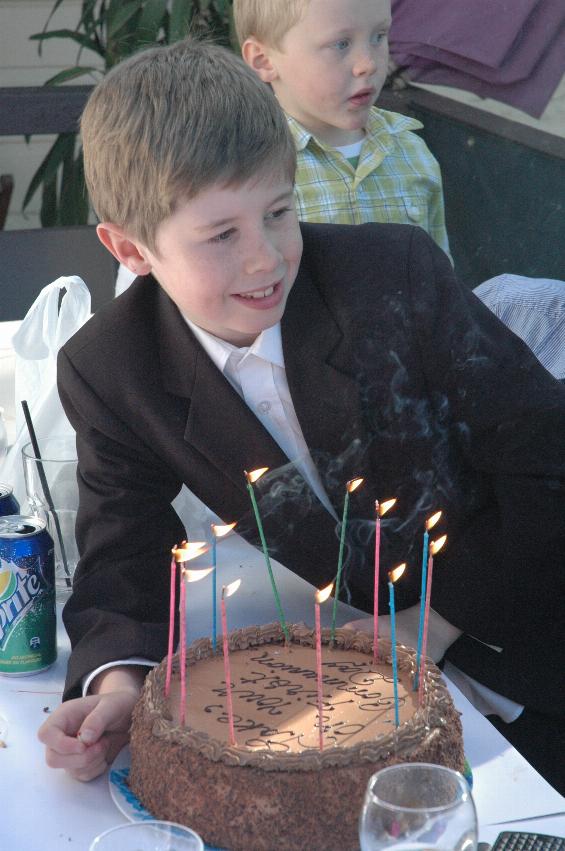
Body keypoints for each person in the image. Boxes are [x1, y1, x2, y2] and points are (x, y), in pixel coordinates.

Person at [37, 39, 565, 792]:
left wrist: (429, 620)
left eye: (279, 212)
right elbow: (122, 551)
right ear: (130, 248)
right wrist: (118, 689)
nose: (265, 258)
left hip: (529, 631)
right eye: (221, 235)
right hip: (382, 699)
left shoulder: (394, 278)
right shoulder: (113, 369)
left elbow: (545, 457)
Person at [234, 0, 451, 259]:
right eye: (341, 44)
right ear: (264, 60)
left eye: (378, 36)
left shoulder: (412, 152)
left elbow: (441, 282)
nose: (368, 64)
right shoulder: (249, 170)